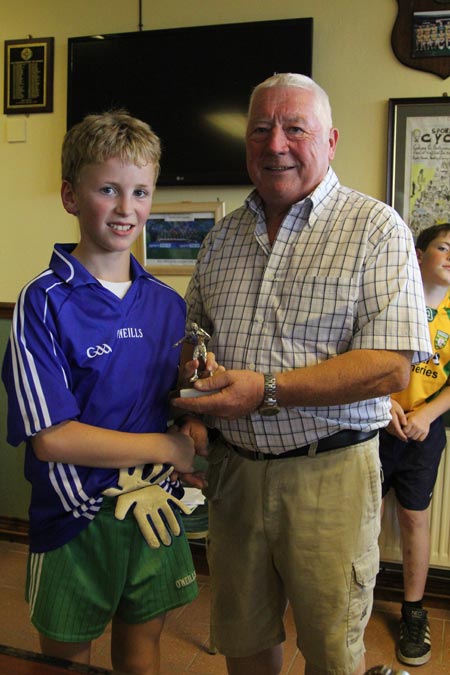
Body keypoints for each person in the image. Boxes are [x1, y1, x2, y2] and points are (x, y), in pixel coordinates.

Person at [172, 73, 432, 675]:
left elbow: (391, 365)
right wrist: (193, 395)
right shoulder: (221, 238)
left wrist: (265, 390)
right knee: (244, 642)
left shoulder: (376, 228)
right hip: (234, 475)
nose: (276, 144)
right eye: (260, 129)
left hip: (331, 475)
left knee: (332, 651)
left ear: (331, 140)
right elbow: (195, 337)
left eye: (295, 128)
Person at [1, 110, 209, 675]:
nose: (126, 209)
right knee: (66, 661)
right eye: (108, 190)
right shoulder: (42, 302)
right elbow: (53, 440)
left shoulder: (169, 304)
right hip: (75, 518)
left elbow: (177, 405)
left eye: (140, 191)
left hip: (153, 511)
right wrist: (168, 448)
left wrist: (192, 426)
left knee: (142, 652)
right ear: (71, 196)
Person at [379, 223, 450, 667]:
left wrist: (426, 414)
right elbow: (361, 357)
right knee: (360, 516)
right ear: (420, 253)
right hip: (377, 423)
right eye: (444, 247)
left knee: (413, 519)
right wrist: (381, 404)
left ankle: (413, 611)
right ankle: (351, 596)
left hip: (425, 428)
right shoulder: (393, 297)